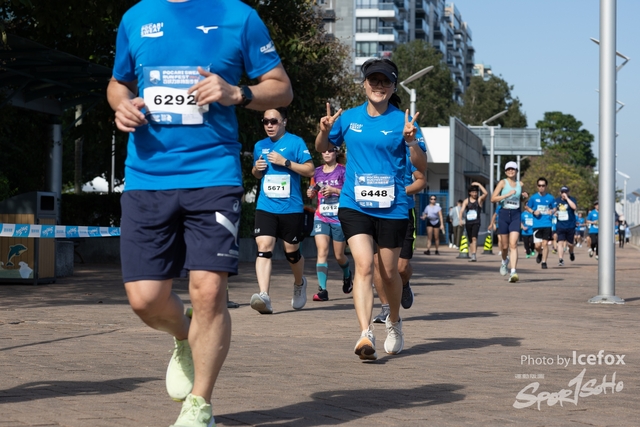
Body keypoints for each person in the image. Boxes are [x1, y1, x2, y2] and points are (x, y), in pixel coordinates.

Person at [107, 1, 293, 425]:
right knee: (144, 299)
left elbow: (281, 88)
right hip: (147, 177)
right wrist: (121, 104)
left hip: (213, 174)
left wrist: (238, 93)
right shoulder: (136, 17)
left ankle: (199, 405)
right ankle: (184, 334)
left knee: (208, 291)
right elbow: (118, 83)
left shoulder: (238, 16)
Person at [315, 58, 427, 361]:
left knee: (389, 273)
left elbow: (421, 166)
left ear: (393, 87)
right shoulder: (349, 118)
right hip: (354, 204)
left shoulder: (404, 122)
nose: (379, 86)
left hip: (392, 208)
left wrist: (411, 142)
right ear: (364, 83)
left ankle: (394, 321)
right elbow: (322, 147)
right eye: (374, 80)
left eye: (385, 81)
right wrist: (324, 131)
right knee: (363, 266)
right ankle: (365, 333)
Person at [251, 107, 314, 314]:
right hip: (266, 206)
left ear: (284, 122)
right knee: (264, 247)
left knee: (292, 252)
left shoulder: (296, 142)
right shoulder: (260, 145)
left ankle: (299, 283)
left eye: (274, 121)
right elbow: (256, 174)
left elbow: (310, 170)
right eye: (266, 121)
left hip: (290, 207)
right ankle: (264, 295)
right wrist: (257, 169)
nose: (269, 125)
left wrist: (285, 162)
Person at [373, 147, 427, 322]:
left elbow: (421, 181)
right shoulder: (375, 156)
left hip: (404, 212)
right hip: (377, 212)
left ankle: (404, 283)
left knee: (401, 268)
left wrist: (401, 192)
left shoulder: (407, 156)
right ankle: (386, 308)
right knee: (377, 262)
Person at [306, 146, 352, 301]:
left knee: (339, 256)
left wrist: (334, 190)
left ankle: (347, 274)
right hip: (321, 217)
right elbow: (312, 190)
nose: (326, 153)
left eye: (330, 150)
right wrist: (310, 192)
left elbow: (350, 192)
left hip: (339, 218)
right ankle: (322, 290)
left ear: (336, 152)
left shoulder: (343, 171)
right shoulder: (316, 172)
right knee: (322, 251)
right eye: (324, 150)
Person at [491, 161, 528, 283]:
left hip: (516, 214)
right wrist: (506, 195)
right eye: (508, 169)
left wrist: (524, 197)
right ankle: (504, 261)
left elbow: (520, 199)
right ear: (505, 171)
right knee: (505, 246)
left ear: (516, 171)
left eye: (513, 169)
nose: (511, 171)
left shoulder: (520, 184)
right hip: (504, 214)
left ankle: (513, 272)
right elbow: (493, 198)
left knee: (513, 244)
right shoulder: (502, 183)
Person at [525, 177, 556, 270]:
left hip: (547, 224)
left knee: (545, 244)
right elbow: (527, 207)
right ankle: (540, 253)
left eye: (543, 185)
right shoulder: (533, 198)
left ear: (546, 186)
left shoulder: (550, 198)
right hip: (537, 224)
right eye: (539, 185)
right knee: (538, 245)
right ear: (537, 186)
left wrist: (552, 211)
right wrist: (533, 212)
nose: (541, 187)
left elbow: (555, 208)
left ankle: (544, 262)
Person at [459, 182, 488, 262]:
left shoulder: (479, 200)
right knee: (471, 240)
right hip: (468, 223)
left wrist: (479, 184)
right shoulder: (466, 201)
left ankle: (474, 255)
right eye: (473, 192)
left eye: (476, 192)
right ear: (469, 193)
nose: (475, 194)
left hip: (476, 222)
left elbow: (486, 193)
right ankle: (472, 254)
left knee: (474, 238)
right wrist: (460, 220)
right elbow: (461, 211)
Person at [554, 186, 577, 266]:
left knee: (570, 244)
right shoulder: (556, 201)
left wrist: (567, 199)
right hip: (560, 225)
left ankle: (571, 252)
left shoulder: (572, 199)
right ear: (560, 193)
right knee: (560, 242)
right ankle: (561, 259)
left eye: (565, 192)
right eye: (562, 192)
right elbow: (553, 209)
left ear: (568, 192)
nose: (564, 193)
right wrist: (554, 213)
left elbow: (574, 207)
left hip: (570, 225)